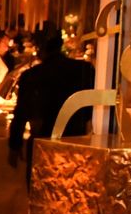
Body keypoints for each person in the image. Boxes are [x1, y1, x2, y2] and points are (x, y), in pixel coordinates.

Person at [7, 23, 95, 179]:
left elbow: (21, 113)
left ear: (40, 47)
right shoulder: (84, 70)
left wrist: (15, 145)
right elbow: (91, 108)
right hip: (75, 143)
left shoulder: (32, 76)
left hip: (42, 144)